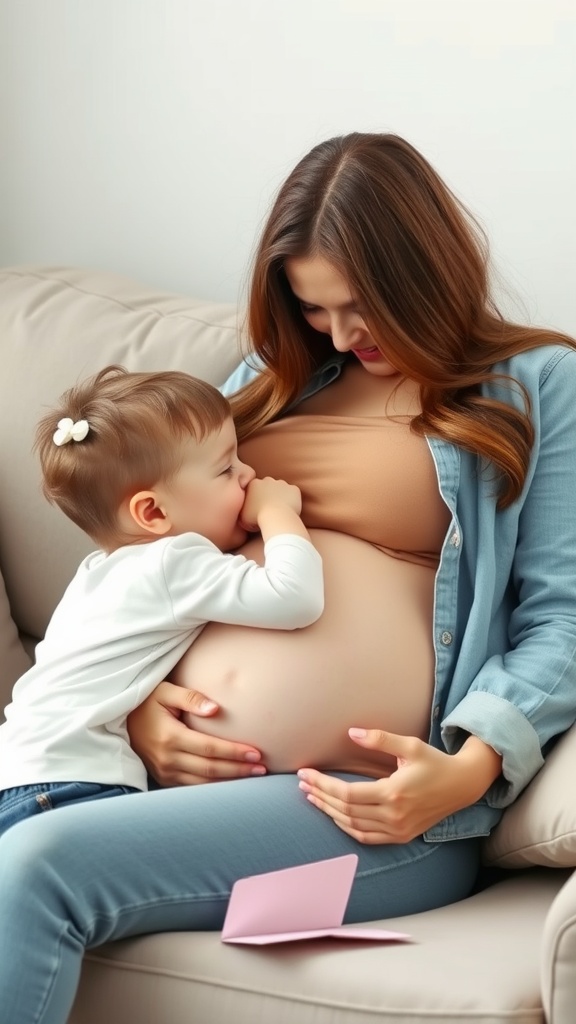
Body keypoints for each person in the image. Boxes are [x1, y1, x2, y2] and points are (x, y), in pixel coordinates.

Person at [2, 132, 576, 1023]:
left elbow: (563, 618)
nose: (341, 335)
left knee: (38, 868)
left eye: (362, 307)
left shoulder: (536, 382)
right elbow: (144, 551)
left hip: (366, 807)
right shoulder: (272, 380)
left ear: (426, 272)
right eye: (314, 308)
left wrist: (470, 770)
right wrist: (137, 706)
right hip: (144, 772)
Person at [0, 364, 323, 837]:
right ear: (152, 512)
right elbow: (295, 598)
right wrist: (278, 512)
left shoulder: (96, 572)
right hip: (76, 784)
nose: (249, 474)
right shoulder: (173, 559)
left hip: (21, 775)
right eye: (226, 468)